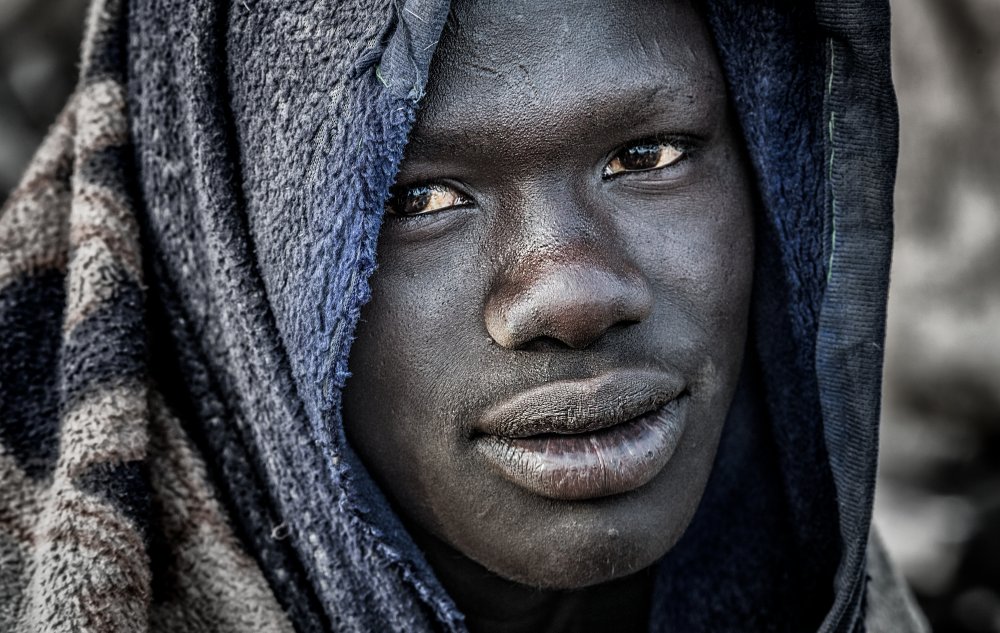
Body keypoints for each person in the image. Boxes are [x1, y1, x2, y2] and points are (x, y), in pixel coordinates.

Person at [0, 0, 926, 631]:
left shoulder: (828, 581)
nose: (571, 295)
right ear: (224, 258)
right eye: (414, 200)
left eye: (647, 155)